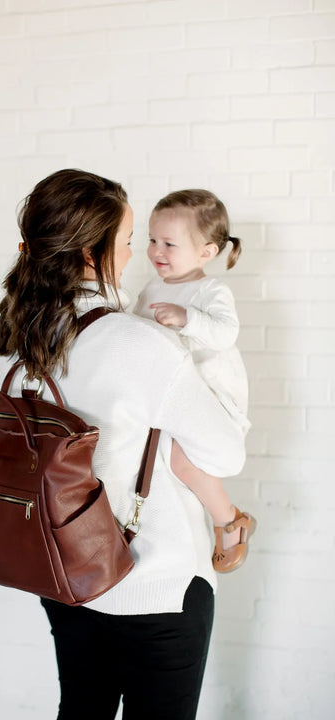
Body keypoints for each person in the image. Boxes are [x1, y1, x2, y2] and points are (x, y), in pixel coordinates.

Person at [0, 169, 246, 720]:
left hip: (64, 576)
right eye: (129, 240)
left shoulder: (20, 340)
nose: (135, 254)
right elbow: (226, 455)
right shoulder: (139, 341)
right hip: (155, 585)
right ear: (92, 250)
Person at [134, 189, 256, 573]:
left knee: (183, 463)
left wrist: (188, 317)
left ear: (206, 252)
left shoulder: (210, 290)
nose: (157, 251)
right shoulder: (151, 288)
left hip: (212, 395)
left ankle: (229, 520)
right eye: (152, 240)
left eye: (169, 243)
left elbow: (225, 333)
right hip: (170, 394)